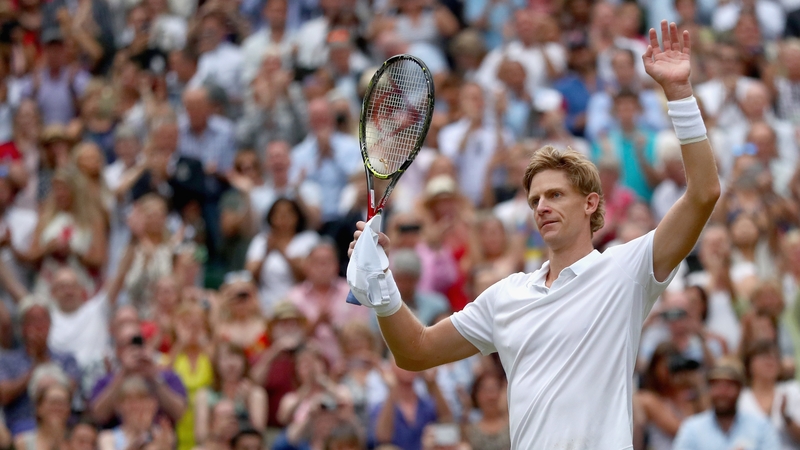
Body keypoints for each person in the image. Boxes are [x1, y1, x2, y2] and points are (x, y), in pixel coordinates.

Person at [347, 22, 721, 448]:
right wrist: (382, 290)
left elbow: (704, 193)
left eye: (556, 194)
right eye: (535, 198)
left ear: (591, 204)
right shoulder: (506, 296)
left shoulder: (627, 270)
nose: (542, 206)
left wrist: (678, 93)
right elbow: (415, 351)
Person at [672, 357, 780, 448]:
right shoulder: (692, 429)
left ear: (740, 389)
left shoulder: (761, 426)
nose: (722, 392)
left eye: (729, 386)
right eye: (716, 386)